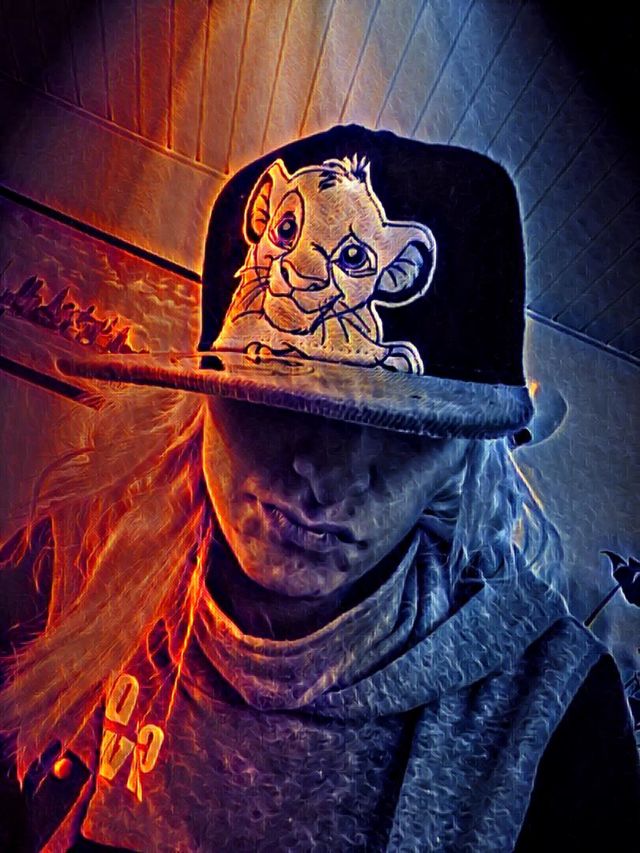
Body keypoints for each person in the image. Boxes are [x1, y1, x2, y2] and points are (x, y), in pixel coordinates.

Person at [1, 124, 639, 852]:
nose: (327, 478)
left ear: (461, 459)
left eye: (408, 432)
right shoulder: (71, 565)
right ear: (209, 399)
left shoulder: (555, 719)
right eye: (280, 402)